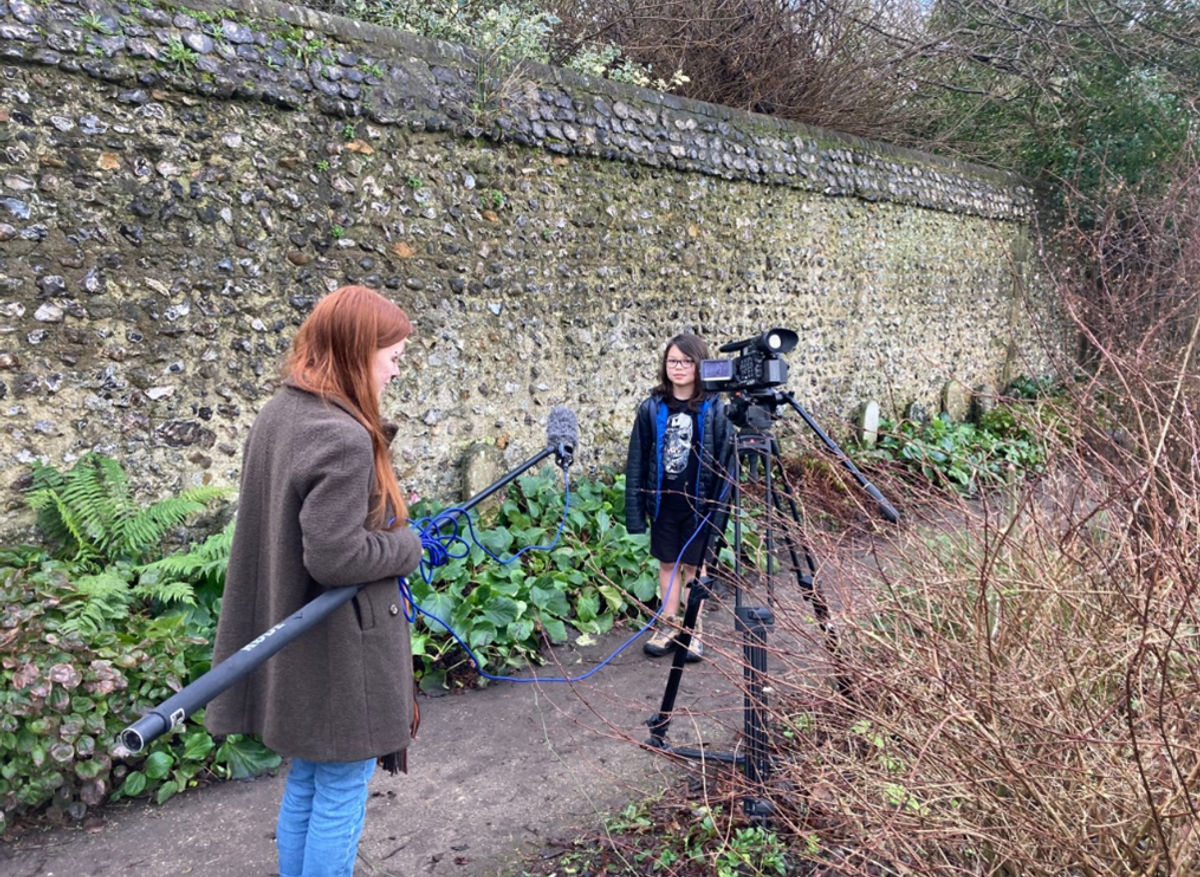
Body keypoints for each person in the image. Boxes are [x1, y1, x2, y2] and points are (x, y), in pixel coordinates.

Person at [205, 285, 424, 877]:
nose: (397, 369)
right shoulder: (342, 435)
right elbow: (336, 557)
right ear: (358, 351)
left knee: (309, 776)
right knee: (341, 788)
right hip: (338, 651)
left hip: (301, 639)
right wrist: (406, 544)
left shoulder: (283, 410)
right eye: (394, 355)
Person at [625, 333, 732, 661]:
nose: (679, 367)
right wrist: (634, 510)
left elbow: (727, 464)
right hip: (663, 503)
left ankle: (693, 628)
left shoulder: (716, 409)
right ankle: (668, 624)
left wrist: (720, 510)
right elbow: (637, 459)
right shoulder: (651, 407)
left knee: (694, 567)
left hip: (700, 505)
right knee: (667, 563)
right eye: (673, 361)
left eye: (687, 361)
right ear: (664, 365)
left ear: (700, 365)